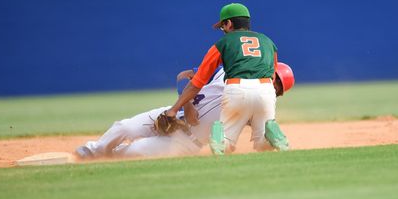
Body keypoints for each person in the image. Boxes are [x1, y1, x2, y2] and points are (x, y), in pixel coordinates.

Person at [75, 62, 294, 159]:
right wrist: (186, 105)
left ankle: (106, 159)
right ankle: (92, 151)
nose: (274, 87)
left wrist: (273, 142)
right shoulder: (227, 70)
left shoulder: (257, 105)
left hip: (186, 142)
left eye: (278, 89)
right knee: (124, 127)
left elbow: (263, 135)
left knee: (135, 152)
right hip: (172, 115)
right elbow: (185, 78)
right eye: (275, 80)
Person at [161, 3, 283, 153]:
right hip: (266, 90)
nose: (223, 30)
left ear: (229, 23)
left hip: (237, 89)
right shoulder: (268, 42)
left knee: (225, 144)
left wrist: (174, 109)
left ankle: (220, 136)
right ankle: (270, 133)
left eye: (222, 26)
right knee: (262, 145)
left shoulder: (223, 43)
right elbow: (272, 75)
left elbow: (197, 82)